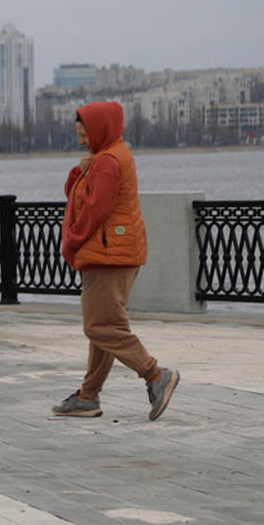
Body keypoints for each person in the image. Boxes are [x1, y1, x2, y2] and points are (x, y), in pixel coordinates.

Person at [53, 100, 180, 420]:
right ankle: (88, 397)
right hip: (115, 253)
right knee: (105, 326)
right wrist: (79, 171)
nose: (81, 140)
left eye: (85, 134)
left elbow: (95, 210)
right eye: (79, 134)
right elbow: (77, 194)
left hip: (107, 255)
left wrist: (72, 239)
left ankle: (155, 375)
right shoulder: (108, 156)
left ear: (100, 129)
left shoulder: (108, 161)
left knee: (99, 326)